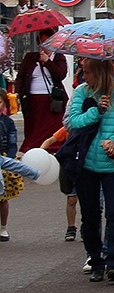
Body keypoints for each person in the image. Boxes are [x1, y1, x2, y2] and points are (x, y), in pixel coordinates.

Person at [70, 58, 114, 282]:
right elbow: (73, 122)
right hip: (87, 163)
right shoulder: (82, 92)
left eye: (87, 72)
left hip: (113, 164)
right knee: (90, 216)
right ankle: (95, 259)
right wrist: (97, 111)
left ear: (99, 72)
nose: (84, 75)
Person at [15, 28, 68, 153]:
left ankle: (51, 147)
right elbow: (21, 77)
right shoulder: (30, 58)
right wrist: (18, 92)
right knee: (34, 127)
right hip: (32, 98)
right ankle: (32, 148)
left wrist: (47, 61)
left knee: (51, 127)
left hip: (51, 100)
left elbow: (60, 75)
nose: (46, 47)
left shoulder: (58, 57)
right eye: (43, 43)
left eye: (49, 43)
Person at [0, 88, 21, 242]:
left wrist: (10, 159)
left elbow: (12, 143)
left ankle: (3, 227)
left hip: (3, 159)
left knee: (2, 198)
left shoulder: (8, 122)